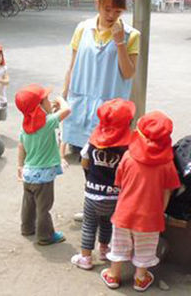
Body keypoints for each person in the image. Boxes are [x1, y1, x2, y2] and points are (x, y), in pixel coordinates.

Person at [101, 111, 181, 292]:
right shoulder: (167, 164)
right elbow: (167, 191)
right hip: (150, 217)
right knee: (145, 249)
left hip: (124, 213)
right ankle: (140, 278)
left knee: (120, 245)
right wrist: (160, 211)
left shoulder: (128, 157)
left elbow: (120, 183)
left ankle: (113, 275)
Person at [61, 0, 140, 163]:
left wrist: (120, 43)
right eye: (108, 9)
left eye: (118, 11)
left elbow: (128, 73)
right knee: (78, 144)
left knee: (102, 155)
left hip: (110, 101)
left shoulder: (131, 35)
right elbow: (72, 64)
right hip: (81, 96)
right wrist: (65, 93)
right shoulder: (83, 28)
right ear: (98, 4)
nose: (112, 15)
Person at [70, 99, 135, 270]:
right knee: (108, 223)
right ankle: (105, 250)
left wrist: (93, 173)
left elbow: (84, 161)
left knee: (89, 226)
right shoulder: (129, 145)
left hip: (92, 194)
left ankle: (85, 258)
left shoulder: (93, 141)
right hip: (116, 197)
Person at [15, 84, 71, 245]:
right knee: (43, 207)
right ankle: (45, 236)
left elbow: (21, 146)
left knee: (28, 203)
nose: (49, 101)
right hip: (44, 176)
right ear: (39, 106)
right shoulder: (48, 123)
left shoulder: (25, 127)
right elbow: (67, 111)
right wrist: (61, 100)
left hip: (28, 173)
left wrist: (20, 166)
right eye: (46, 99)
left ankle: (27, 228)